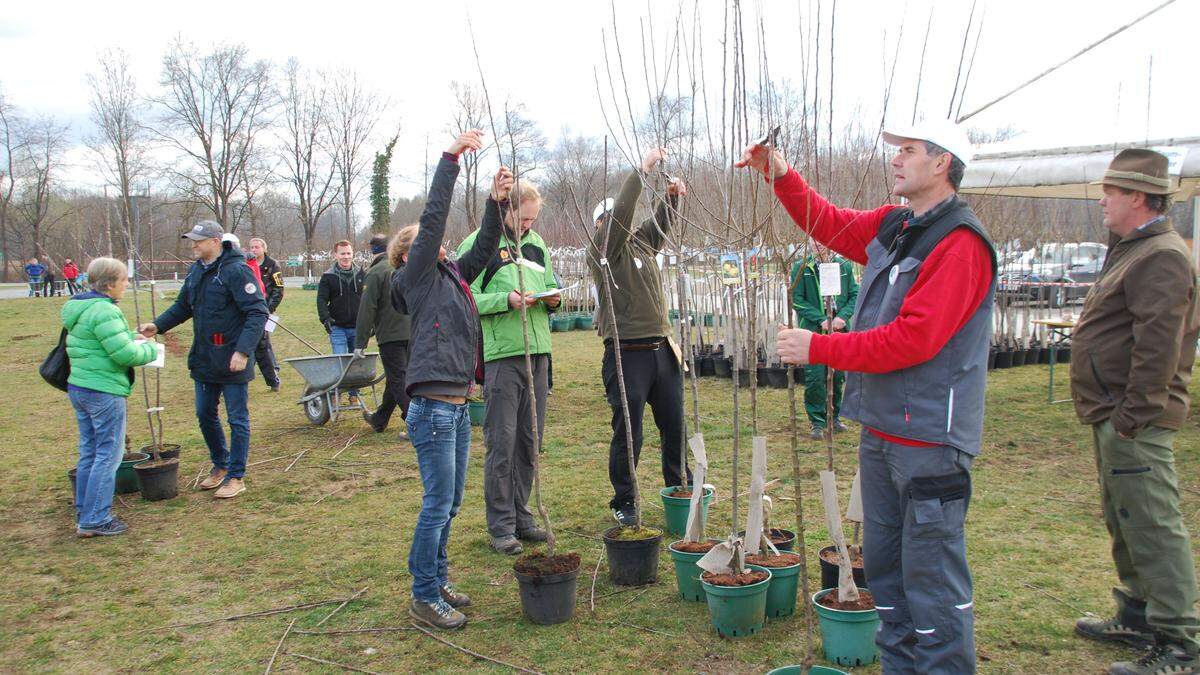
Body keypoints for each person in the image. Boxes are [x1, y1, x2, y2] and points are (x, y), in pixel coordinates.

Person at [739, 119, 995, 674]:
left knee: (932, 589)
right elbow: (830, 224)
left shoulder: (960, 246)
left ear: (942, 162)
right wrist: (780, 174)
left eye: (908, 150)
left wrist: (821, 348)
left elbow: (914, 339)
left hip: (929, 441)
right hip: (882, 433)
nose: (895, 160)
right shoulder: (899, 224)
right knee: (888, 582)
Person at [1069, 148, 1200, 675]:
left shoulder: (1161, 255)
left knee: (1152, 524)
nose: (1104, 199)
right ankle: (1139, 615)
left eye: (1113, 192)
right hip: (1114, 412)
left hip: (1133, 419)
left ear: (1139, 198)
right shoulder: (1132, 248)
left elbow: (1159, 348)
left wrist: (1132, 417)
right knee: (1125, 518)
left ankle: (1181, 645)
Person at [390, 129, 499, 630]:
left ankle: (438, 578)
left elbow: (483, 254)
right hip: (433, 408)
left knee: (451, 503)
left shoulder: (451, 279)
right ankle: (423, 595)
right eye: (429, 243)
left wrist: (495, 205)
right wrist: (450, 159)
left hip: (455, 408)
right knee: (437, 505)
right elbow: (433, 220)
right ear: (412, 254)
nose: (442, 244)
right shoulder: (414, 279)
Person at [588, 146, 691, 527]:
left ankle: (679, 488)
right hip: (625, 353)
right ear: (602, 224)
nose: (620, 223)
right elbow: (622, 217)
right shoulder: (603, 250)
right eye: (611, 219)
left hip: (662, 351)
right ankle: (625, 500)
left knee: (674, 426)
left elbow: (659, 226)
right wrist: (642, 170)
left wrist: (672, 198)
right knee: (630, 434)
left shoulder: (640, 244)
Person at [457, 179, 557, 555]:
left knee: (530, 440)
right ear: (508, 209)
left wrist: (552, 299)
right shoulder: (479, 245)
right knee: (502, 441)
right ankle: (500, 525)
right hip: (502, 356)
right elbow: (465, 296)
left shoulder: (537, 244)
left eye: (534, 219)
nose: (529, 225)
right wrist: (505, 299)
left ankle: (522, 514)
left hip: (539, 353)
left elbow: (548, 283)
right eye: (524, 218)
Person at [138, 220, 268, 499]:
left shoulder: (237, 271)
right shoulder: (196, 271)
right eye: (192, 240)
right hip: (205, 358)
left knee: (237, 419)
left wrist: (243, 351)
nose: (193, 244)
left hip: (233, 358)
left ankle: (236, 476)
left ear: (216, 241)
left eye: (198, 240)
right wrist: (158, 326)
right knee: (204, 413)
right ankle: (220, 464)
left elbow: (258, 312)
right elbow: (183, 306)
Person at [63, 257, 159, 537]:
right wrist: (151, 349)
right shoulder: (105, 311)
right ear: (109, 284)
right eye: (124, 280)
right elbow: (124, 354)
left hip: (81, 387)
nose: (126, 285)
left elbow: (102, 340)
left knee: (90, 451)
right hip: (103, 390)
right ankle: (96, 518)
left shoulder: (81, 307)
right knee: (108, 454)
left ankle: (85, 510)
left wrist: (131, 335)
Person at [789, 242, 859, 438]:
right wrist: (820, 319)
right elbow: (796, 299)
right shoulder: (802, 267)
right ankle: (817, 422)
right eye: (814, 240)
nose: (819, 245)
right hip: (814, 331)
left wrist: (842, 317)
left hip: (839, 329)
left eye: (823, 240)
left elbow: (854, 294)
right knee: (816, 376)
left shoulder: (843, 266)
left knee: (838, 376)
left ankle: (834, 417)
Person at [355, 233, 410, 436]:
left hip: (391, 335)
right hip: (414, 332)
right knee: (399, 378)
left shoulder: (376, 272)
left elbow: (367, 309)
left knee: (398, 380)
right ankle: (380, 419)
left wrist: (360, 342)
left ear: (373, 251)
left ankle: (415, 423)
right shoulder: (405, 267)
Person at [317, 240, 366, 405]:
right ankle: (335, 392)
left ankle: (354, 395)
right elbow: (321, 300)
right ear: (335, 255)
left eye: (348, 253)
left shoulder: (361, 274)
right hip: (337, 326)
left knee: (356, 362)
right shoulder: (328, 276)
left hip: (358, 327)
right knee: (340, 361)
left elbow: (368, 299)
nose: (346, 257)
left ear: (353, 254)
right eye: (342, 253)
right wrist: (326, 319)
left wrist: (369, 321)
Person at [248, 237, 283, 392]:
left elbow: (279, 289)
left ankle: (273, 377)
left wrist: (269, 309)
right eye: (252, 247)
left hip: (265, 310)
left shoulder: (272, 265)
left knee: (262, 345)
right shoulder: (245, 265)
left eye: (257, 247)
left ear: (264, 248)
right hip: (249, 311)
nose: (254, 250)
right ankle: (273, 373)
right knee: (261, 344)